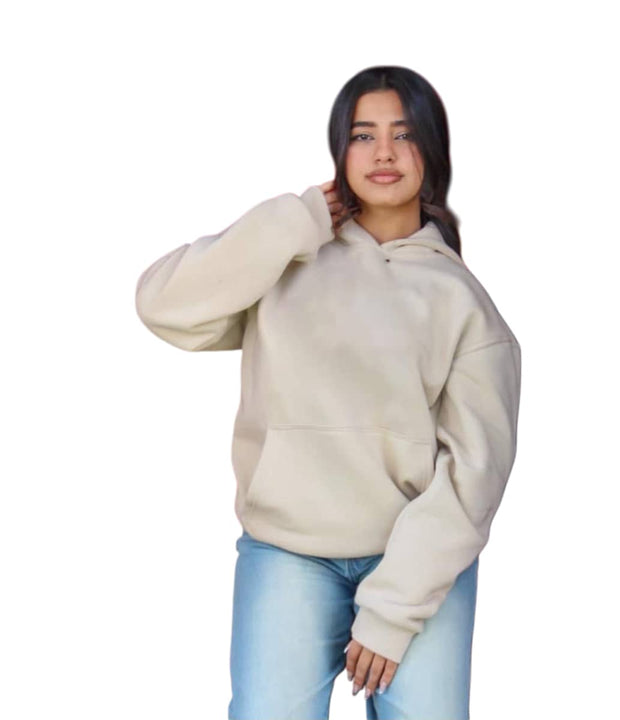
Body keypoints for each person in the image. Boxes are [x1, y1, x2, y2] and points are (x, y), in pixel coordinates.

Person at [135, 65, 522, 720]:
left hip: (418, 563)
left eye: (404, 134)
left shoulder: (464, 302)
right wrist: (292, 220)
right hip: (288, 553)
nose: (384, 153)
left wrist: (393, 610)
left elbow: (475, 475)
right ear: (339, 150)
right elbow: (163, 304)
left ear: (431, 150)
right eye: (363, 135)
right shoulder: (288, 258)